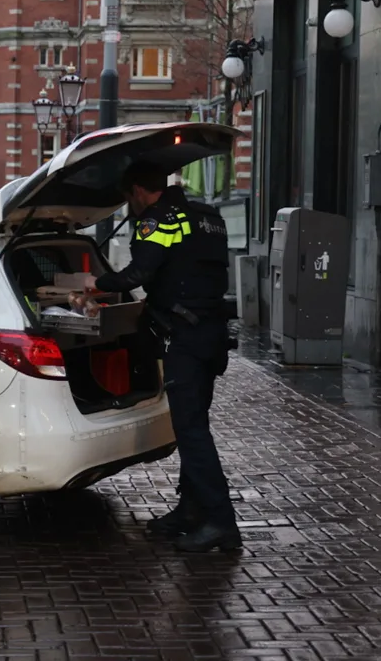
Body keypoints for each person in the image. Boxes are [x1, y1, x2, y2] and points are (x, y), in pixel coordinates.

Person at [83, 161, 238, 553]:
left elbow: (138, 274)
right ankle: (190, 511)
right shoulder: (207, 215)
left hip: (184, 336)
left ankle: (221, 522)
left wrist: (94, 283)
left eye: (128, 198)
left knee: (192, 431)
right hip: (211, 332)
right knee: (194, 424)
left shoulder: (159, 220)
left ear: (137, 191)